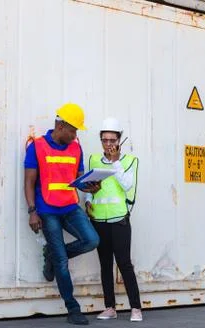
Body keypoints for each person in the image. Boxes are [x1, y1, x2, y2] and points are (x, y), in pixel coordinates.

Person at [24, 103, 100, 325]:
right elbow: (28, 182)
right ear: (60, 125)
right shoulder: (37, 147)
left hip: (70, 207)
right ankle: (73, 308)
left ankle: (52, 255)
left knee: (92, 240)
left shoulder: (76, 148)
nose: (76, 135)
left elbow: (80, 179)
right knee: (62, 263)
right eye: (73, 129)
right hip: (47, 211)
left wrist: (90, 187)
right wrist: (32, 212)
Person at [85, 117, 143, 322]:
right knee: (105, 264)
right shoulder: (93, 160)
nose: (108, 144)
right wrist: (88, 199)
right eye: (104, 140)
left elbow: (128, 185)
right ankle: (110, 307)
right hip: (99, 220)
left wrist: (116, 161)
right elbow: (89, 185)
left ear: (120, 140)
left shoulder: (130, 161)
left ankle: (135, 308)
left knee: (124, 263)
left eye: (112, 140)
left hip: (119, 220)